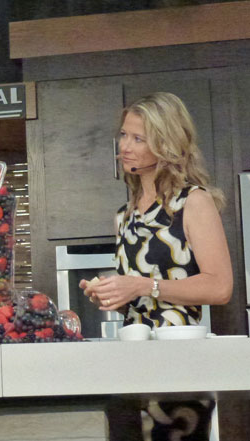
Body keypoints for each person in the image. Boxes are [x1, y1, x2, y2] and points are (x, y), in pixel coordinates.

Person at [80, 92, 233, 440]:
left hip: (179, 369)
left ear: (166, 144)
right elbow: (135, 294)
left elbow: (220, 287)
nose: (125, 147)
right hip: (131, 368)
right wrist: (106, 293)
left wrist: (141, 286)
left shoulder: (192, 201)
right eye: (123, 135)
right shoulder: (125, 214)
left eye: (138, 138)